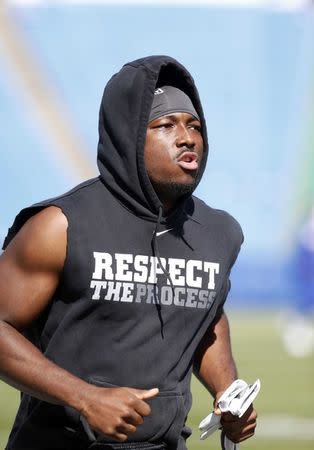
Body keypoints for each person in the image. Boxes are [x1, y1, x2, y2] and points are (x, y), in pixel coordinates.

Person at [0, 55, 257, 450]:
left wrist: (228, 393)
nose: (187, 138)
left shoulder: (219, 232)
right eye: (166, 125)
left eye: (194, 126)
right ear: (130, 137)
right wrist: (83, 397)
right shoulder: (60, 225)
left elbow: (206, 316)